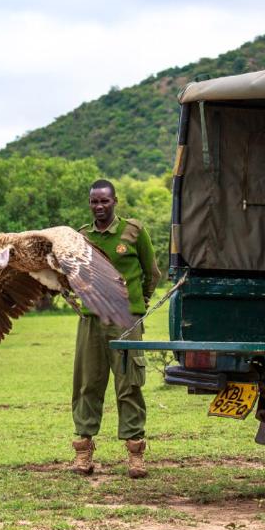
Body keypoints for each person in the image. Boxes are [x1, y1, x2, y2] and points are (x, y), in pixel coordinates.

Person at [71, 179, 161, 478]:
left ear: (115, 201)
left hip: (125, 320)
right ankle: (83, 451)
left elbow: (152, 272)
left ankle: (135, 454)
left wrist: (140, 302)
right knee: (87, 383)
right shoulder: (80, 237)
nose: (99, 207)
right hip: (91, 319)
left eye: (104, 201)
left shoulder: (133, 232)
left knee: (129, 384)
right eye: (94, 202)